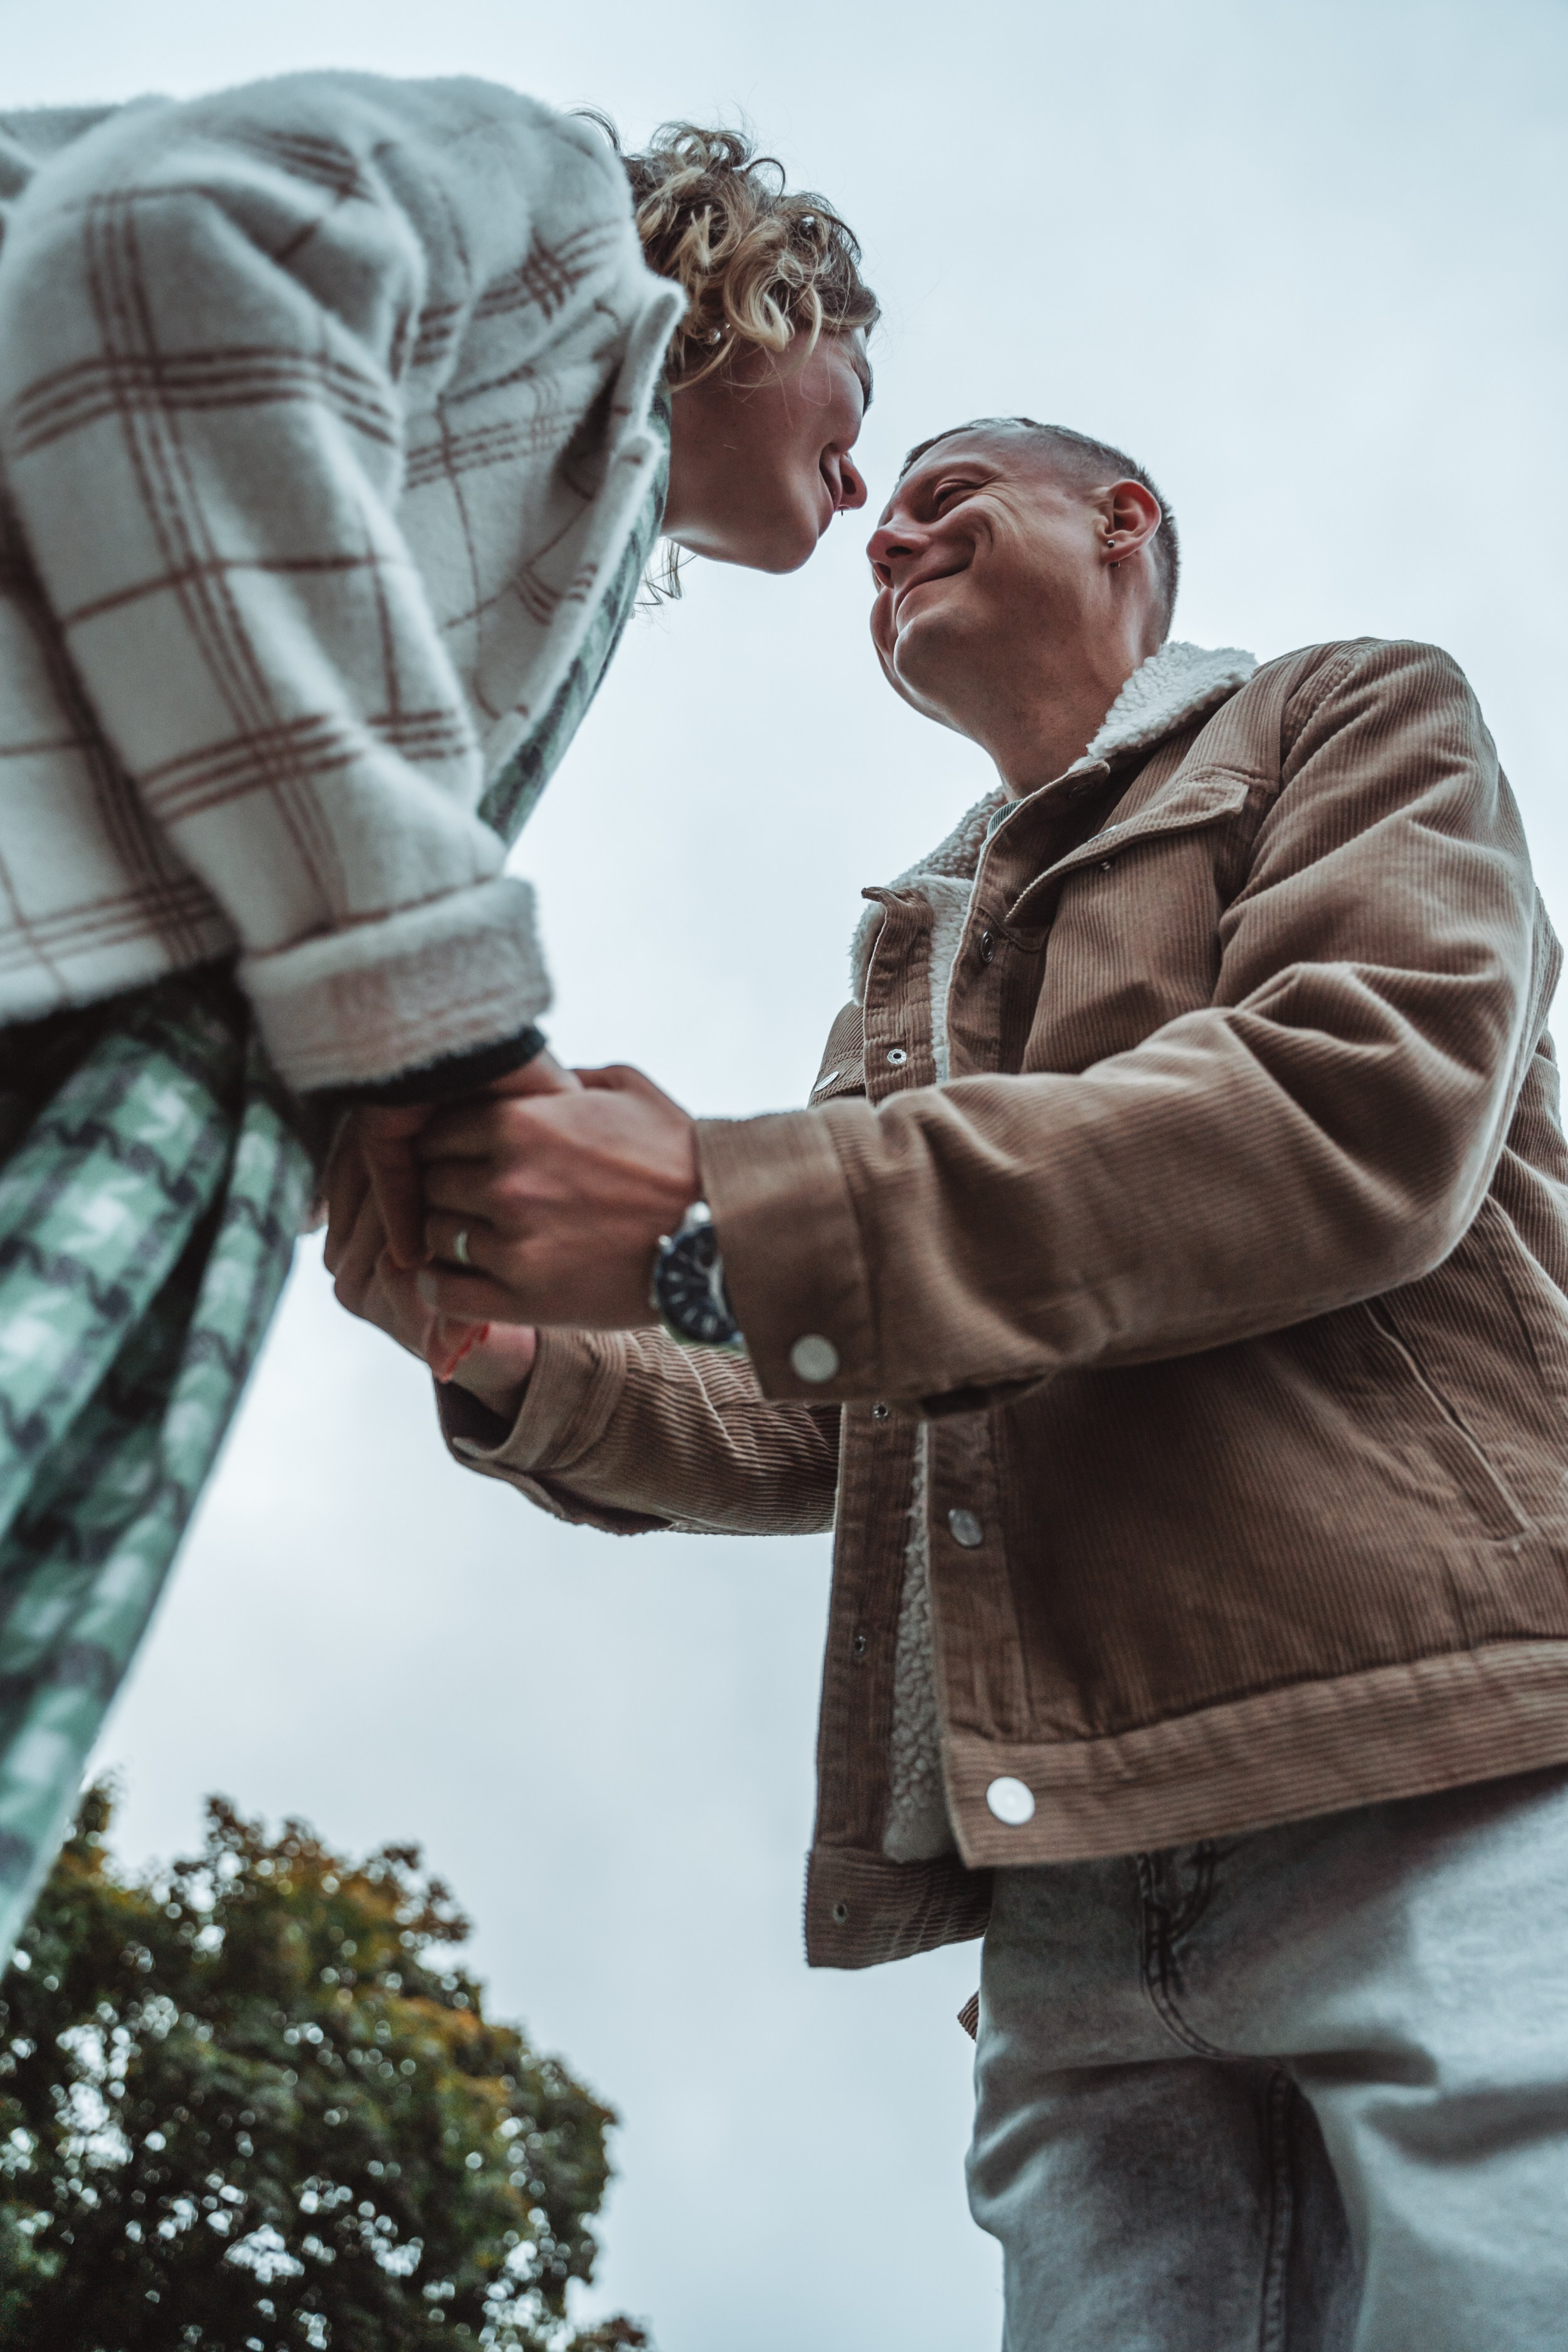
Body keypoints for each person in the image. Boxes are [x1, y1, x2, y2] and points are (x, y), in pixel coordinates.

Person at [342, 415, 1568, 2346]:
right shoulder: (901, 955)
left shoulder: (1349, 711)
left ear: (1122, 523)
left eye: (941, 492)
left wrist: (712, 1198)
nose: (880, 533)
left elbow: (1353, 1113)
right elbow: (833, 1404)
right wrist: (510, 1348)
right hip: (1064, 1895)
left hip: (1448, 1769)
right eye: (879, 513)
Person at [0, 74, 876, 1954]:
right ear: (760, 289)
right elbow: (154, 257)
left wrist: (429, 1153)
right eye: (857, 408)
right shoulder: (554, 204)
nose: (863, 483)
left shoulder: (546, 513)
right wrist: (448, 1025)